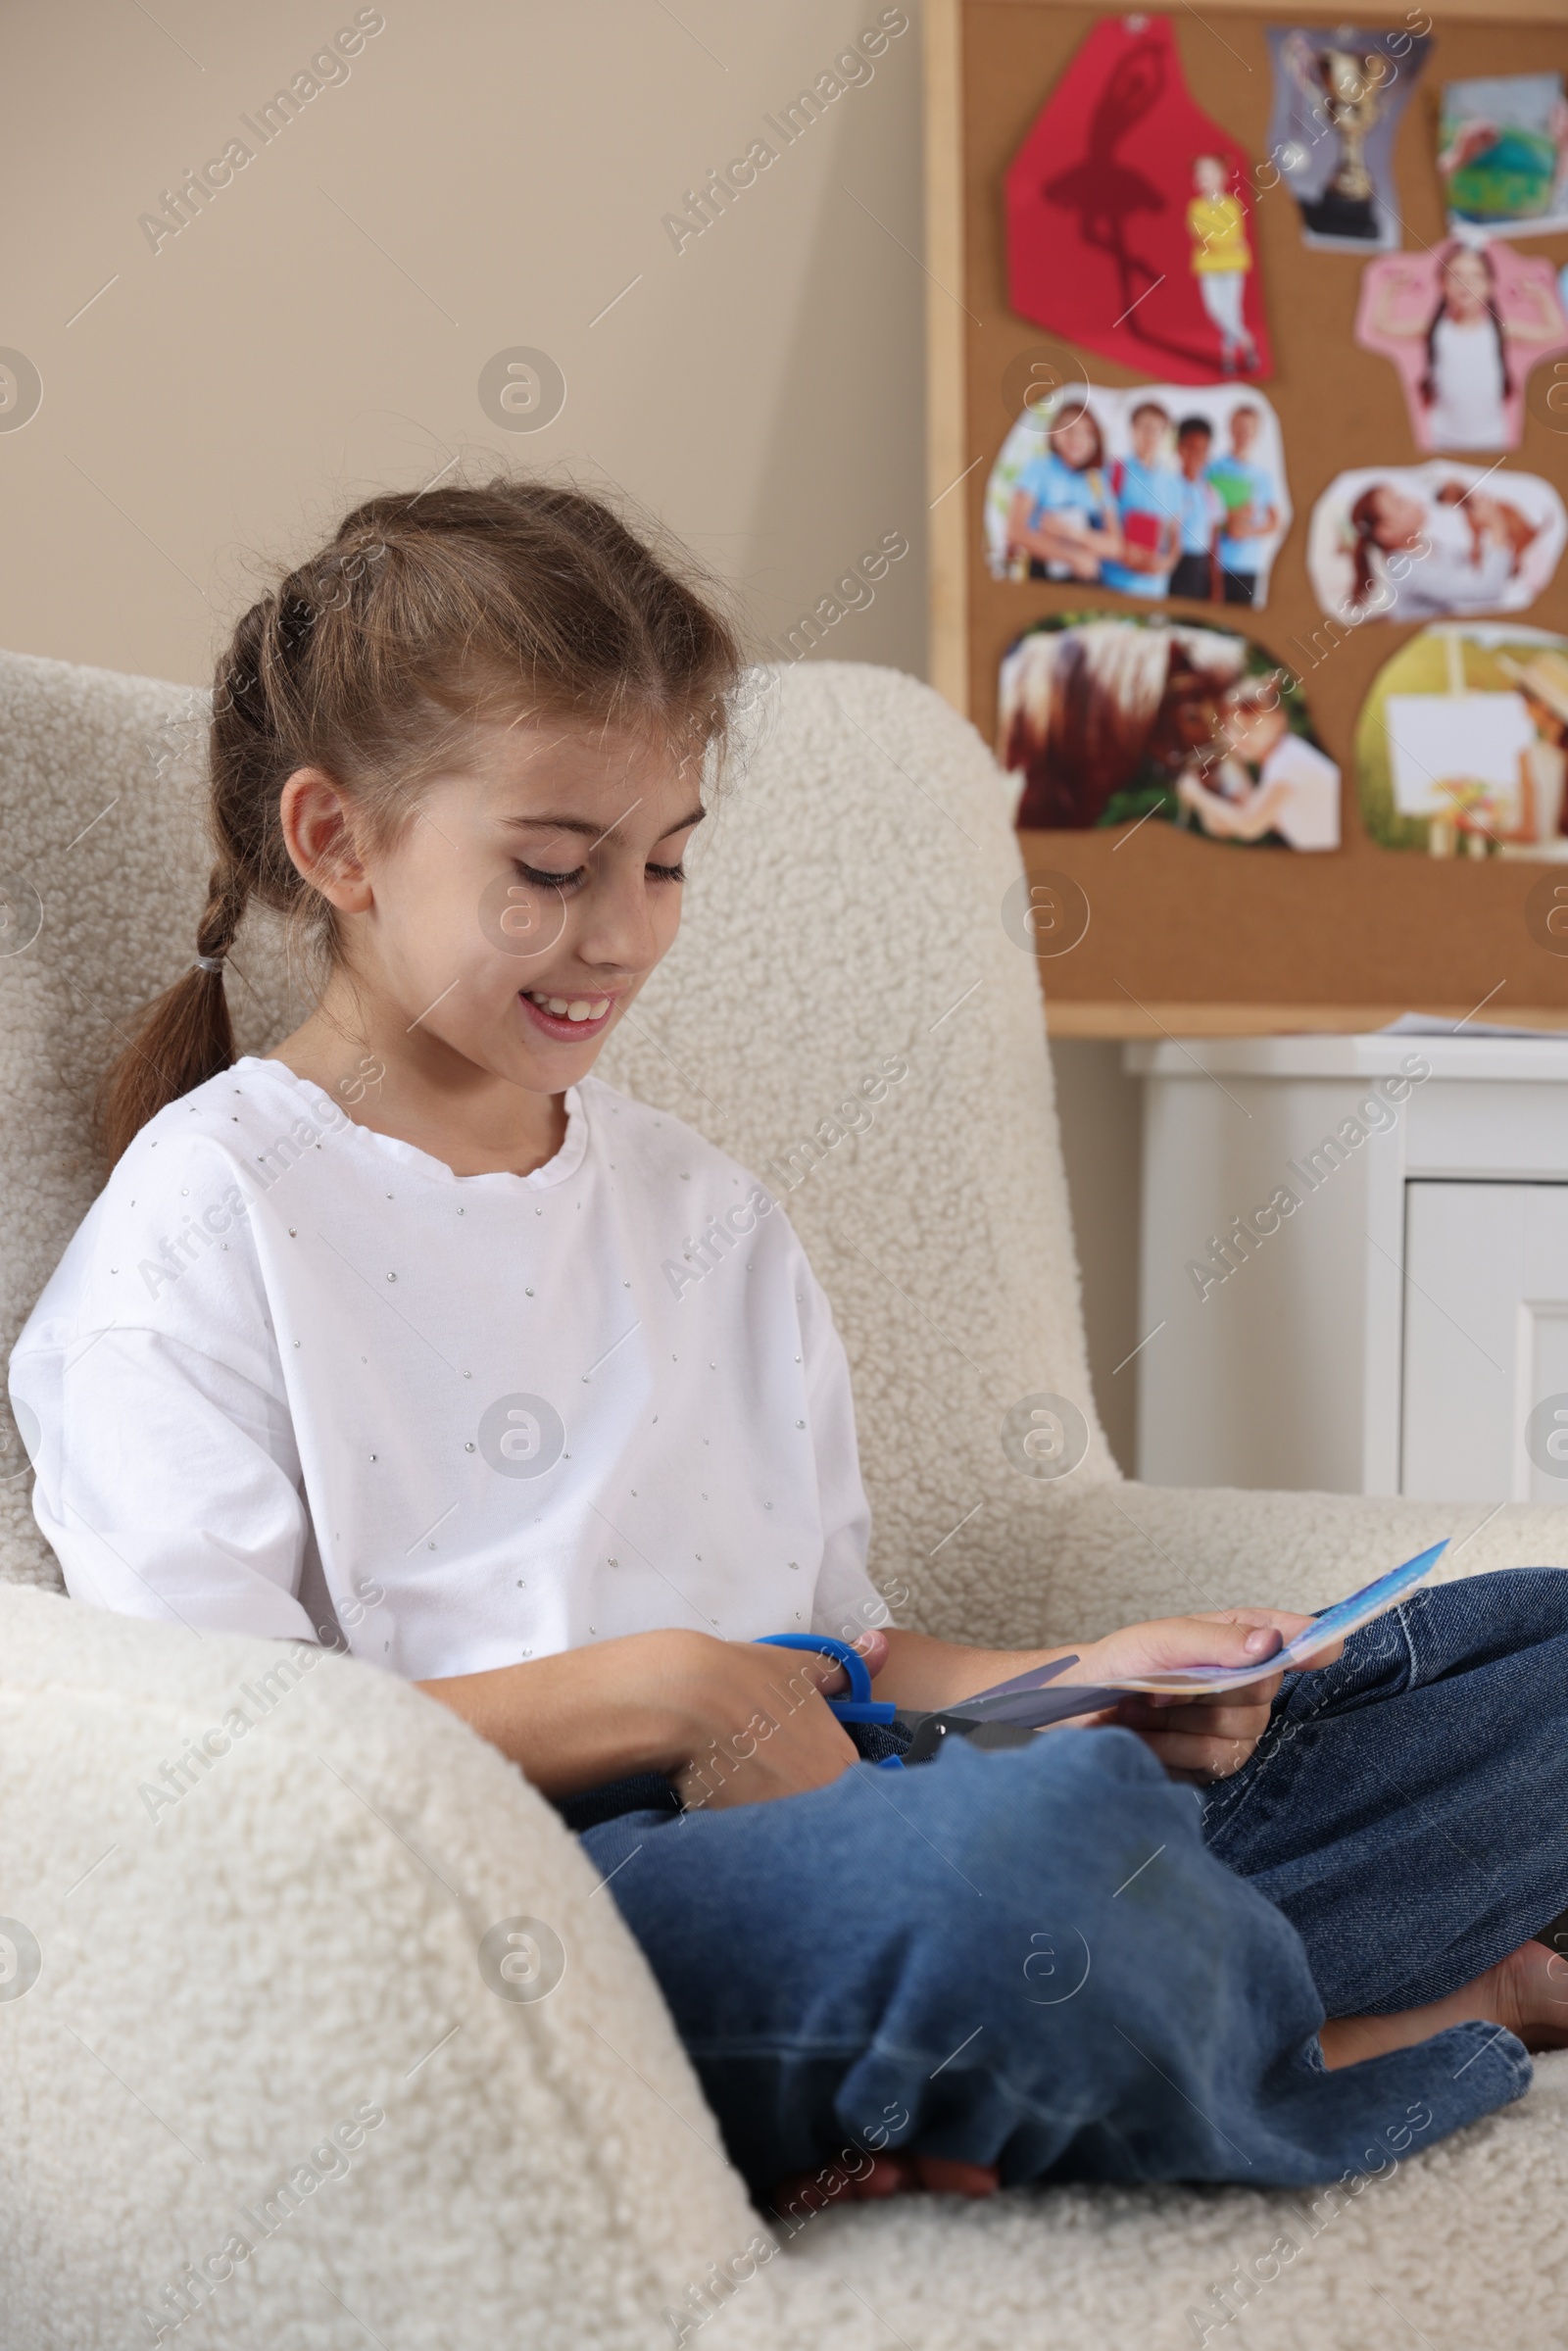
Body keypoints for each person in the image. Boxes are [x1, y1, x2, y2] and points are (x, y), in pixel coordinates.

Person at [12, 480, 1568, 2216]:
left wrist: (1085, 1675)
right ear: (339, 842)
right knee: (1024, 1868)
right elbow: (219, 1760)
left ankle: (1123, 2008)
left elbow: (841, 1660)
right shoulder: (208, 1216)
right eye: (551, 868)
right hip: (558, 1908)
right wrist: (663, 1689)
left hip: (882, 1811)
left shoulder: (706, 1210)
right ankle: (1409, 2004)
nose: (620, 932)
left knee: (1528, 1653)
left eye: (665, 860)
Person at [1362, 242, 1566, 451]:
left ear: (1490, 285)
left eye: (1476, 276)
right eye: (1456, 275)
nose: (1466, 283)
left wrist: (1541, 295)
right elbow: (1383, 326)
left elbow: (1553, 331)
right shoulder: (1436, 327)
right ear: (1442, 284)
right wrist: (1389, 290)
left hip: (1492, 434)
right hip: (1442, 434)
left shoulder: (1498, 329)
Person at [1174, 675, 1340, 849]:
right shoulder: (1276, 763)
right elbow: (1224, 825)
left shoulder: (1288, 760)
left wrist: (1196, 794)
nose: (1243, 735)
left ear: (1279, 721)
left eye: (1253, 724)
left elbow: (1249, 826)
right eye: (1235, 727)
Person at [1343, 477, 1536, 620]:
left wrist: (1483, 528)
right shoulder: (1405, 570)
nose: (1412, 500)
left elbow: (1476, 567)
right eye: (1400, 502)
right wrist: (1497, 526)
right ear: (1386, 531)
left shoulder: (1426, 546)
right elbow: (1487, 589)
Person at [1004, 398, 1121, 582]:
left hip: (1087, 579)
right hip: (1044, 575)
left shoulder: (1096, 480)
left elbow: (1114, 546)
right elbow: (1015, 532)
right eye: (1069, 429)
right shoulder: (1039, 469)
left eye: (1087, 433)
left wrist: (1070, 533)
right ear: (1054, 433)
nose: (1077, 439)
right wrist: (1072, 556)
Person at [1186, 153, 1259, 376]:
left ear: (1221, 177)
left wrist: (1224, 241)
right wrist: (1224, 241)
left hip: (1232, 265)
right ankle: (1247, 341)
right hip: (1209, 265)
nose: (1204, 179)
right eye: (1200, 175)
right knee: (1216, 310)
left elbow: (1233, 232)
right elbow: (1204, 235)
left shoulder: (1232, 205)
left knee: (1232, 310)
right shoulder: (1196, 208)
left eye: (1209, 174)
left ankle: (1228, 355)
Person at [1099, 401, 1182, 598]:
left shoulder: (1173, 482)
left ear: (1164, 434)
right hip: (1114, 582)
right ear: (1132, 430)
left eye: (1157, 429)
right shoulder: (1113, 471)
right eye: (1145, 427)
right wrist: (1127, 555)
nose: (1150, 435)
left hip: (1155, 588)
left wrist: (1167, 563)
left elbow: (1175, 533)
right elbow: (1100, 523)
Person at [1204, 403, 1280, 607]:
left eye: (1249, 429)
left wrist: (1249, 532)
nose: (1243, 434)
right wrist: (1233, 515)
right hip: (1214, 563)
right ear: (1230, 428)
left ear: (1257, 433)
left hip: (1247, 565)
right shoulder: (1212, 469)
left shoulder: (1263, 477)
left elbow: (1275, 522)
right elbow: (1201, 512)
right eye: (1238, 427)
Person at [1167, 415, 1224, 602]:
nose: (1195, 455)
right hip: (1170, 566)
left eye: (1201, 450)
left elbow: (1214, 541)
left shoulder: (1211, 493)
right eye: (1189, 448)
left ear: (1208, 453)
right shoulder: (1167, 485)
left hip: (1198, 570)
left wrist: (1216, 585)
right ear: (1178, 448)